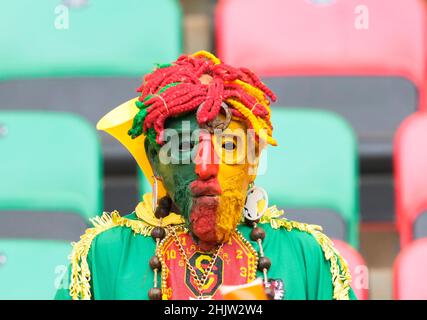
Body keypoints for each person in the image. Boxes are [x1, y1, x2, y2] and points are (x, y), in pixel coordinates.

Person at [55, 51, 356, 300]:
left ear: (252, 160)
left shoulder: (306, 256)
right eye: (184, 145)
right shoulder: (105, 256)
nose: (206, 166)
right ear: (154, 159)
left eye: (228, 145)